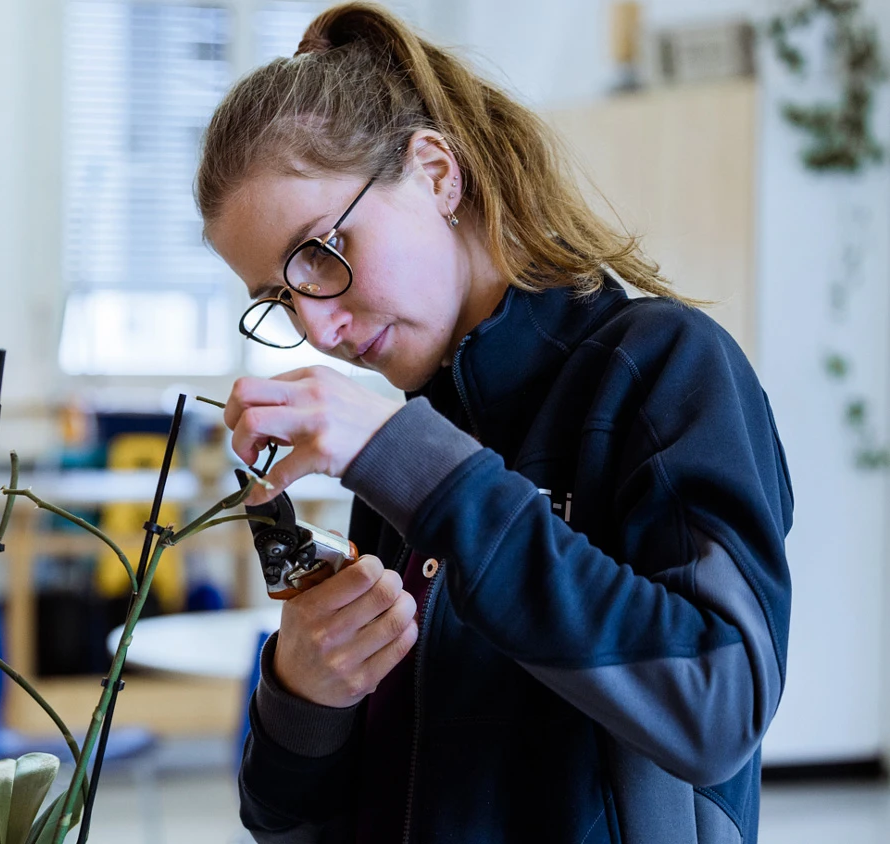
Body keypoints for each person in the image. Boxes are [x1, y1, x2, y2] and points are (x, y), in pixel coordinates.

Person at [198, 4, 792, 842]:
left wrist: (417, 467)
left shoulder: (663, 369)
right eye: (278, 300)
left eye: (322, 254)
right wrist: (304, 693)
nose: (319, 329)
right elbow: (288, 825)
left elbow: (718, 707)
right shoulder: (412, 440)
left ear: (437, 173)